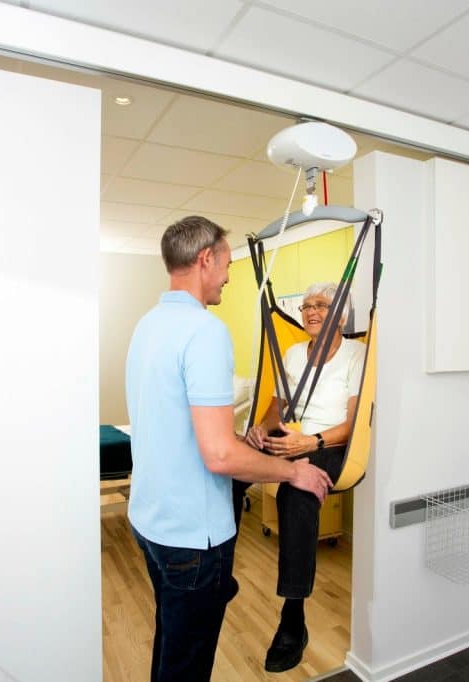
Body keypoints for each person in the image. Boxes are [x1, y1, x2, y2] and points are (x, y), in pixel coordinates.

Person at [126, 216, 333, 682]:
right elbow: (218, 457)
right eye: (225, 262)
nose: (228, 273)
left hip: (150, 522)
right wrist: (293, 473)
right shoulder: (205, 331)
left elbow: (177, 424)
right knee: (187, 667)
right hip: (192, 539)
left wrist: (245, 441)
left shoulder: (148, 325)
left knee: (170, 645)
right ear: (205, 259)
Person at [239, 281, 366, 673]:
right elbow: (278, 409)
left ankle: (293, 620)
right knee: (231, 469)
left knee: (294, 497)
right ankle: (217, 571)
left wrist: (310, 443)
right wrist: (262, 430)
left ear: (341, 316)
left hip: (330, 444)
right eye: (308, 305)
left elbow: (354, 422)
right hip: (291, 435)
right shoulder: (293, 353)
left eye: (323, 306)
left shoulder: (357, 355)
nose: (312, 311)